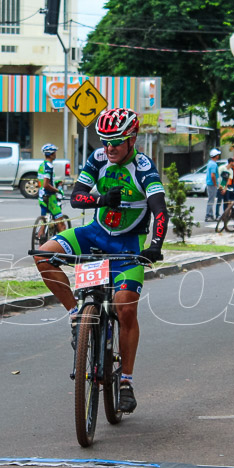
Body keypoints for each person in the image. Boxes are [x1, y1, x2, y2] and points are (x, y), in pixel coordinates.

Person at [33, 107, 168, 414]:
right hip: (95, 234)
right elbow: (76, 197)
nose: (109, 148)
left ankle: (126, 382)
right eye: (105, 141)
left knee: (124, 306)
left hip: (128, 246)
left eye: (117, 141)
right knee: (44, 255)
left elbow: (160, 210)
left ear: (132, 139)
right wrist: (101, 199)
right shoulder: (97, 159)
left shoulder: (144, 167)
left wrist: (155, 245)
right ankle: (75, 315)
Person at [36, 143, 66, 240]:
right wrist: (58, 190)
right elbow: (46, 184)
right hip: (50, 197)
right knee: (61, 224)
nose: (56, 154)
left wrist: (56, 182)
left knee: (44, 219)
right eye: (55, 152)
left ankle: (41, 240)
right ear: (52, 154)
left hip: (41, 196)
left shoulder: (42, 165)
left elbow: (41, 182)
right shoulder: (49, 166)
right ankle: (64, 246)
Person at [204, 148, 222, 222]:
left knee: (211, 199)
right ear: (216, 156)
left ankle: (210, 214)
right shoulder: (214, 164)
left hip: (209, 183)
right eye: (218, 155)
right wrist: (215, 184)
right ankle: (208, 215)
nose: (218, 156)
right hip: (212, 184)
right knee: (211, 200)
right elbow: (213, 175)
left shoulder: (210, 162)